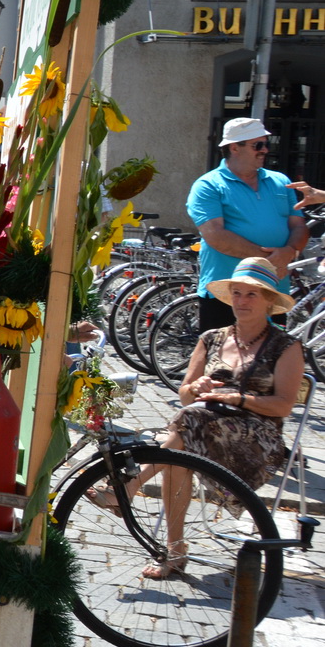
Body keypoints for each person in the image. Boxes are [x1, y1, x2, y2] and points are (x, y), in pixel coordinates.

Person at [90, 258, 303, 579]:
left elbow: (283, 406)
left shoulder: (286, 346)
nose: (242, 301)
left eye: (252, 294)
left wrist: (237, 398)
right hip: (202, 430)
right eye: (237, 292)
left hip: (257, 442)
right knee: (179, 450)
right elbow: (186, 395)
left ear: (270, 301)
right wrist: (197, 387)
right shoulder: (212, 338)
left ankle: (129, 487)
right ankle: (175, 551)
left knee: (185, 429)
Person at [186, 118, 306, 332]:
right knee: (222, 352)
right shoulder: (208, 185)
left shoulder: (281, 181)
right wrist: (271, 261)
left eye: (266, 144)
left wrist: (290, 251)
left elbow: (299, 226)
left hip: (272, 292)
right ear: (234, 148)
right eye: (257, 145)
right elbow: (216, 236)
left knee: (271, 352)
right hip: (227, 295)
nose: (265, 150)